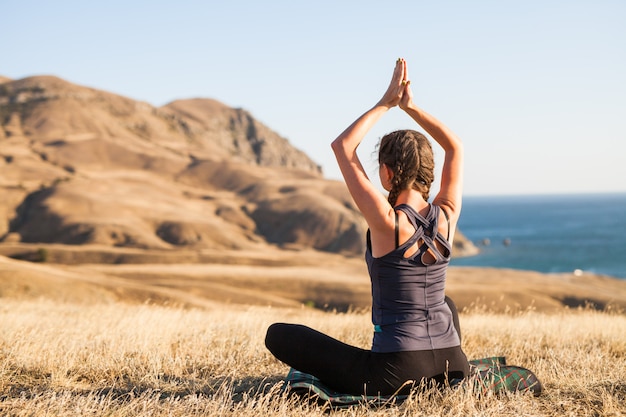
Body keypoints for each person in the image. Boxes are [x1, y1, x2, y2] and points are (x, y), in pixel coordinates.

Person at [265, 58, 468, 396]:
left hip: (396, 372)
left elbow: (343, 147)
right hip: (453, 364)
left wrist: (386, 103)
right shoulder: (446, 216)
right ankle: (447, 372)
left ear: (387, 173)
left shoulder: (389, 223)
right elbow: (455, 147)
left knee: (279, 334)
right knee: (443, 302)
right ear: (430, 172)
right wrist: (412, 107)